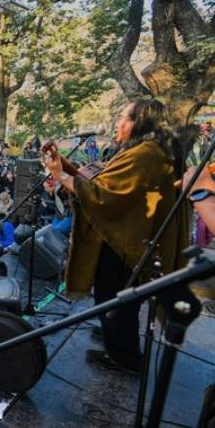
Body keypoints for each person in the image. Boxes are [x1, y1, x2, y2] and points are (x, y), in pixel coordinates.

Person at [44, 99, 188, 374]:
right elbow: (102, 182)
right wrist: (64, 167)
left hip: (128, 242)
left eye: (124, 117)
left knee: (116, 295)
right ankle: (115, 333)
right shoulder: (145, 151)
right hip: (128, 237)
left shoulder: (145, 154)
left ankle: (125, 356)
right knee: (115, 295)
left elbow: (103, 196)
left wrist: (60, 175)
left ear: (140, 122)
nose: (118, 123)